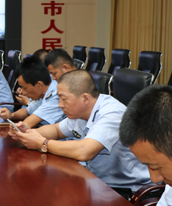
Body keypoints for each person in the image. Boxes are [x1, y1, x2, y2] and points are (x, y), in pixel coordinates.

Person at [10, 69, 151, 198]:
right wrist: (28, 132)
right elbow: (56, 130)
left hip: (127, 191)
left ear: (85, 98)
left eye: (64, 99)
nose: (60, 105)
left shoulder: (112, 113)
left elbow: (84, 151)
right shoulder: (80, 112)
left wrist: (42, 143)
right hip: (96, 180)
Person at [0, 56, 65, 128]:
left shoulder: (56, 94)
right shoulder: (42, 90)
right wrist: (11, 115)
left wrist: (16, 127)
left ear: (39, 85)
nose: (23, 92)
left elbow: (28, 123)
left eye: (25, 88)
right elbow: (27, 111)